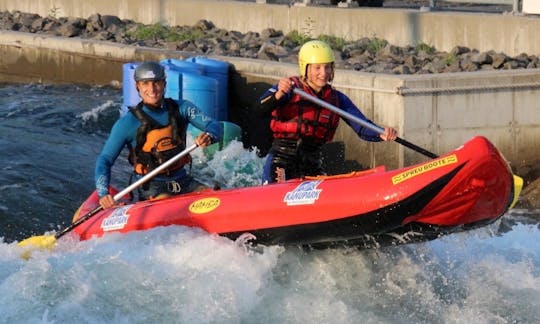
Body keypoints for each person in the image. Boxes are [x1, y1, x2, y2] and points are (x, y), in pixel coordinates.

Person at [258, 40, 397, 184]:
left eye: (327, 67)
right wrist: (278, 95)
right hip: (281, 160)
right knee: (279, 189)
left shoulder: (337, 99)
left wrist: (381, 133)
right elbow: (259, 110)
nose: (323, 73)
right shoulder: (288, 89)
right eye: (317, 68)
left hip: (311, 164)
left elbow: (361, 126)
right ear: (305, 68)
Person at [95, 61, 223, 209]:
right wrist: (103, 193)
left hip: (182, 179)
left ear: (164, 83)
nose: (152, 89)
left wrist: (209, 136)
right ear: (137, 86)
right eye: (145, 83)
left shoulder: (182, 108)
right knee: (167, 207)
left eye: (156, 83)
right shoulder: (127, 123)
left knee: (216, 198)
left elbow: (216, 127)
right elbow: (105, 160)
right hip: (151, 185)